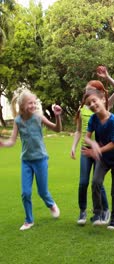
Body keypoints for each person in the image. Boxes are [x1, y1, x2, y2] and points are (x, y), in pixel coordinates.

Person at [0, 88, 62, 231]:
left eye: (34, 103)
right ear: (22, 106)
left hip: (40, 159)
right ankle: (29, 220)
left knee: (42, 191)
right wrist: (3, 144)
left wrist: (57, 116)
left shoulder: (39, 117)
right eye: (30, 103)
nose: (33, 106)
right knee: (25, 193)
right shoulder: (17, 121)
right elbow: (12, 141)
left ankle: (51, 204)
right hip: (26, 161)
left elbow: (57, 129)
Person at [70, 65, 114, 225]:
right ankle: (84, 211)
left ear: (100, 95)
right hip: (87, 149)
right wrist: (74, 146)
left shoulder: (104, 104)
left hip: (101, 151)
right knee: (84, 182)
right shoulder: (84, 109)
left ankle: (104, 212)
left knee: (97, 182)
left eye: (92, 91)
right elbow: (80, 131)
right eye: (87, 90)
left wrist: (107, 78)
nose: (89, 94)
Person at [82, 86, 114, 230]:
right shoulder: (93, 120)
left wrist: (97, 150)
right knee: (95, 182)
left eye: (94, 101)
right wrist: (92, 143)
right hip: (103, 159)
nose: (92, 105)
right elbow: (86, 137)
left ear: (102, 99)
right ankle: (98, 213)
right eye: (89, 104)